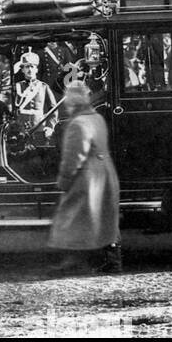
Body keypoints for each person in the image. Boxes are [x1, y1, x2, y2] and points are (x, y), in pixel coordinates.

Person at [48, 82, 122, 274]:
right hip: (104, 174)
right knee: (105, 218)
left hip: (87, 178)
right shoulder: (96, 118)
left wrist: (64, 181)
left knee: (71, 217)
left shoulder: (78, 124)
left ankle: (73, 263)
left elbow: (73, 158)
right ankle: (113, 262)